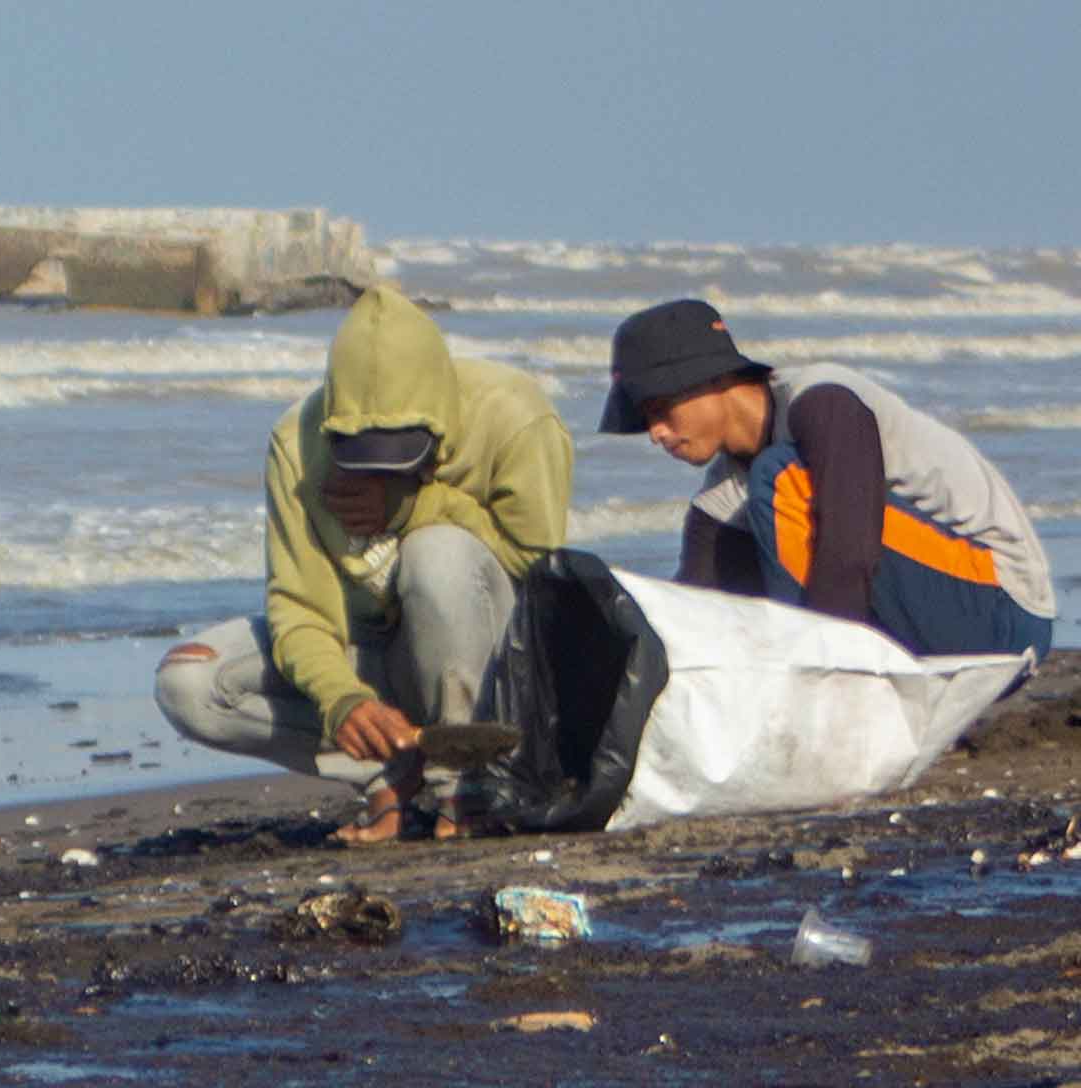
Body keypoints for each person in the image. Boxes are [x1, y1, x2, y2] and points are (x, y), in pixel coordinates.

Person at [155, 286, 571, 841]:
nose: (377, 473)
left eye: (400, 456)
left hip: (490, 670)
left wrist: (418, 506)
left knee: (437, 553)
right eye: (361, 455)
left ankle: (467, 787)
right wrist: (342, 701)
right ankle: (386, 770)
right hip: (370, 655)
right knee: (189, 681)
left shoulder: (516, 416)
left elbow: (538, 569)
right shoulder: (296, 444)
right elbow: (300, 610)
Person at [604, 298, 1055, 660]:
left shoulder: (823, 401)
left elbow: (849, 553)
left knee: (782, 478)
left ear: (713, 380)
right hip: (920, 613)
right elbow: (693, 615)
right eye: (646, 421)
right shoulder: (720, 497)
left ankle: (824, 668)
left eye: (660, 411)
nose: (656, 433)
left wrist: (812, 676)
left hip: (1005, 611)